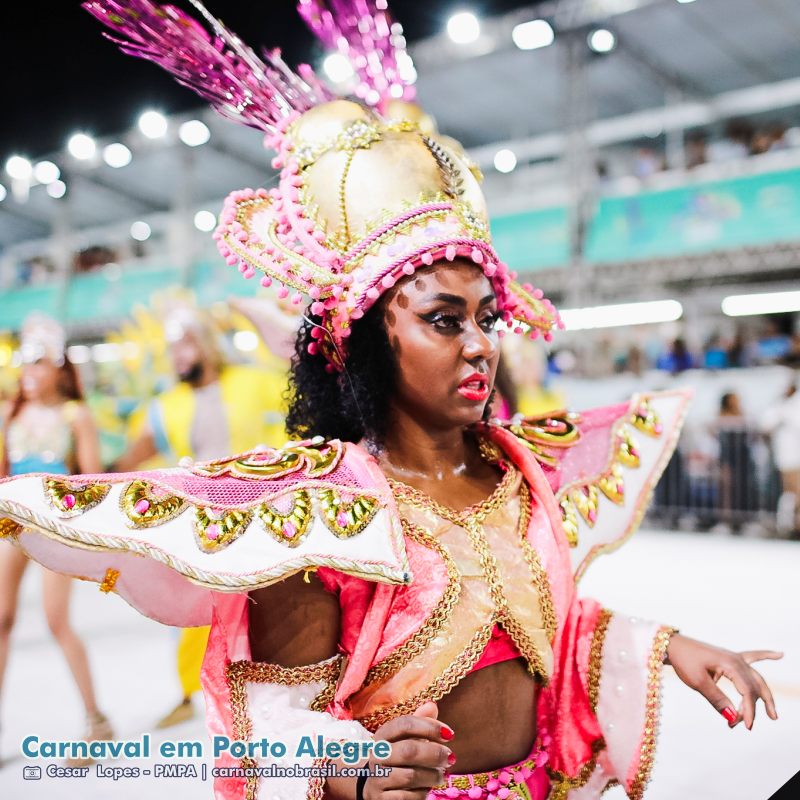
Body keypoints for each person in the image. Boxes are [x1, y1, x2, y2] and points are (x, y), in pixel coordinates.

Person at [0, 2, 782, 798]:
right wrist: (352, 770)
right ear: (364, 338)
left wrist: (665, 645)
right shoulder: (316, 512)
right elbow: (270, 718)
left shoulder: (521, 476)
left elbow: (548, 629)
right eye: (444, 321)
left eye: (487, 318)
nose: (479, 344)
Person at [113, 300, 290, 727]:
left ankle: (275, 681)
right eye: (172, 349)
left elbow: (291, 428)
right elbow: (136, 455)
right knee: (200, 608)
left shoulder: (255, 383)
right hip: (199, 520)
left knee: (268, 602)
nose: (178, 356)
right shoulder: (165, 405)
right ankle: (196, 691)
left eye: (186, 344)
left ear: (208, 345)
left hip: (259, 509)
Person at [0, 314, 112, 762]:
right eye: (24, 362)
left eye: (39, 362)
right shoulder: (10, 413)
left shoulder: (75, 414)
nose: (29, 371)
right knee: (2, 619)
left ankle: (95, 721)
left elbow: (93, 480)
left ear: (59, 367)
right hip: (14, 524)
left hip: (56, 526)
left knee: (55, 620)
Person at [762, 380, 800, 536]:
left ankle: (789, 523)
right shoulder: (779, 404)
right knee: (791, 490)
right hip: (786, 454)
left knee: (794, 490)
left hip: (795, 453)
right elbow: (765, 423)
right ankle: (787, 524)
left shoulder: (795, 404)